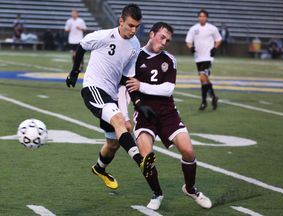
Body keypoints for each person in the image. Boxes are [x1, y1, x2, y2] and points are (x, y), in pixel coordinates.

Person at [66, 4, 156, 191]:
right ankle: (140, 161)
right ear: (121, 21)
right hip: (93, 89)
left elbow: (126, 78)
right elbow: (82, 45)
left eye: (137, 27)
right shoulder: (104, 36)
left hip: (111, 94)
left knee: (113, 143)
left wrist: (137, 102)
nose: (134, 30)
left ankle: (100, 168)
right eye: (130, 25)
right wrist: (75, 71)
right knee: (118, 121)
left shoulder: (135, 46)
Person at [125, 22, 212, 210]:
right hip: (144, 114)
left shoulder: (170, 59)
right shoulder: (135, 56)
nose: (164, 42)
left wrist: (142, 86)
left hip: (168, 113)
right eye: (162, 37)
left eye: (168, 40)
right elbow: (127, 87)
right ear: (152, 34)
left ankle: (190, 188)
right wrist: (125, 114)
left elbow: (168, 89)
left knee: (188, 151)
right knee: (146, 157)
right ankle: (157, 194)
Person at [185, 9, 222, 111]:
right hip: (198, 58)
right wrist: (191, 47)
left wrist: (215, 48)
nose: (202, 18)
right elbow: (188, 41)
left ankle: (204, 102)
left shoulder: (212, 28)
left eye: (203, 16)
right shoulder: (194, 29)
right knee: (204, 80)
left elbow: (218, 39)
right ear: (198, 17)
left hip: (208, 57)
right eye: (200, 16)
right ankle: (214, 97)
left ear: (206, 17)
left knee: (202, 77)